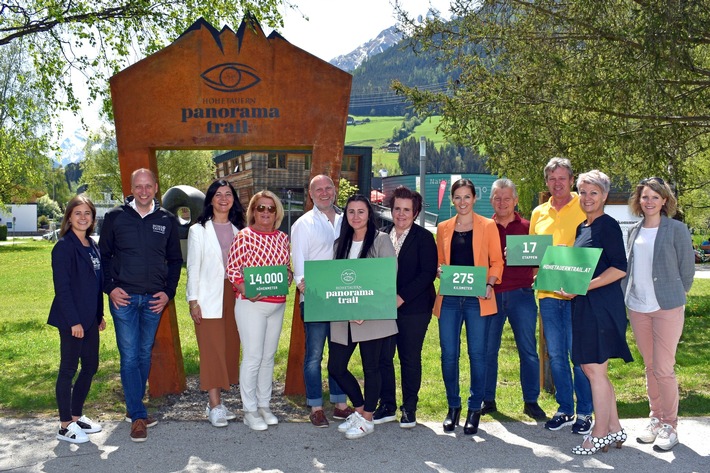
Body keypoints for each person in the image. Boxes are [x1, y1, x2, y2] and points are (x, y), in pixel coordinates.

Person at [99, 168, 182, 442]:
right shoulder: (115, 217)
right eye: (139, 186)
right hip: (123, 300)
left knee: (144, 353)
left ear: (156, 187)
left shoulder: (167, 220)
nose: (144, 191)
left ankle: (134, 404)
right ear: (131, 188)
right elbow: (104, 256)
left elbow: (174, 261)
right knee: (130, 355)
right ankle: (137, 416)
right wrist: (111, 289)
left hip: (153, 301)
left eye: (148, 186)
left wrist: (168, 293)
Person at [554, 170, 632, 455]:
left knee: (594, 370)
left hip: (602, 306)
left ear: (605, 196)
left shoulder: (607, 225)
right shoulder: (581, 227)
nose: (587, 198)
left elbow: (619, 268)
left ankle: (598, 433)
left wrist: (584, 287)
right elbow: (580, 268)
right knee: (592, 369)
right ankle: (614, 429)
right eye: (583, 192)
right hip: (584, 305)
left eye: (594, 193)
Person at [622, 177, 695, 451]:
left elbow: (687, 270)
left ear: (665, 200)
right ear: (638, 201)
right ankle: (654, 418)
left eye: (655, 196)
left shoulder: (676, 229)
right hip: (638, 307)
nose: (649, 201)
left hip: (666, 307)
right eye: (644, 197)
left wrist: (675, 295)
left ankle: (670, 425)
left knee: (664, 368)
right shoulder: (634, 230)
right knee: (650, 366)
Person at [434, 178, 504, 435]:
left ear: (475, 199)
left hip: (478, 299)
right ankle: (453, 406)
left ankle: (475, 408)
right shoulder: (442, 227)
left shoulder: (488, 226)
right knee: (449, 355)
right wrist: (440, 271)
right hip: (450, 299)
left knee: (478, 354)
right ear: (452, 201)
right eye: (458, 197)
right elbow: (440, 262)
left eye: (467, 197)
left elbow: (497, 261)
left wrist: (490, 284)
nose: (462, 202)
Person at [529, 157, 593, 434]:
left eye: (562, 178)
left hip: (577, 295)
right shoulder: (538, 213)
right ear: (547, 182)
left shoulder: (585, 204)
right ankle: (565, 408)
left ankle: (586, 412)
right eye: (552, 178)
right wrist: (530, 265)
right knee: (555, 355)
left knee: (577, 355)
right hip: (547, 294)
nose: (557, 183)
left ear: (571, 179)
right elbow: (533, 251)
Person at [327, 194, 398, 440]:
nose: (355, 216)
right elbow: (335, 280)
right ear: (345, 215)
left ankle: (368, 419)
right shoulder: (340, 244)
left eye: (361, 211)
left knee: (372, 368)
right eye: (351, 212)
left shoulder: (381, 240)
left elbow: (388, 278)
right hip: (344, 317)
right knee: (335, 367)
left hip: (372, 316)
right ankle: (359, 409)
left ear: (369, 214)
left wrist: (364, 309)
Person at [226, 190, 292, 431]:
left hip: (277, 305)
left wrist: (288, 276)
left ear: (277, 213)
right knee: (253, 357)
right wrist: (246, 289)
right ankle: (249, 410)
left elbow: (287, 269)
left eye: (271, 208)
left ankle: (264, 405)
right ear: (253, 210)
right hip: (251, 304)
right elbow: (233, 271)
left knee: (268, 358)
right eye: (261, 208)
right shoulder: (243, 236)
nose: (265, 212)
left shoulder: (283, 238)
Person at [483, 179, 547, 421]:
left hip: (522, 295)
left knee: (528, 351)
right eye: (497, 198)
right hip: (492, 295)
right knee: (489, 351)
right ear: (491, 201)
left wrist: (533, 272)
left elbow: (541, 259)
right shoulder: (484, 228)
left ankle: (531, 401)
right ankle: (487, 400)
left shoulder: (529, 228)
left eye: (507, 198)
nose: (502, 203)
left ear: (516, 200)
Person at [291, 174, 352, 428]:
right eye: (319, 189)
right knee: (314, 355)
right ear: (311, 194)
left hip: (341, 298)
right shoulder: (303, 224)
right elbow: (300, 263)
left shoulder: (346, 220)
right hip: (315, 298)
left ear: (335, 191)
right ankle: (315, 406)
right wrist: (302, 282)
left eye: (328, 188)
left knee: (338, 353)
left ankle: (339, 405)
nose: (325, 193)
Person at [375, 186, 437, 428]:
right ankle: (387, 405)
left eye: (407, 210)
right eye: (397, 209)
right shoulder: (380, 234)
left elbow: (427, 274)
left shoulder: (423, 238)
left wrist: (402, 297)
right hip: (383, 309)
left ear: (416, 212)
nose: (401, 214)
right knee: (383, 357)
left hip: (415, 308)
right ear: (391, 210)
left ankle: (409, 407)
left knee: (409, 358)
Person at [186, 179, 245, 427]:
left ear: (234, 199)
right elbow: (193, 267)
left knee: (230, 348)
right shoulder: (198, 230)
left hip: (236, 296)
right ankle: (214, 405)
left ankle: (220, 401)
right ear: (210, 199)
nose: (223, 198)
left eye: (228, 194)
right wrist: (193, 301)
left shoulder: (240, 230)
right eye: (218, 194)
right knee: (211, 350)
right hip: (208, 296)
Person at [48, 195, 106, 444]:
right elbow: (63, 288)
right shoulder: (64, 247)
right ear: (69, 217)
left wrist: (99, 314)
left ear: (93, 218)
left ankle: (75, 415)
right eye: (78, 213)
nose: (83, 218)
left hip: (90, 319)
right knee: (68, 369)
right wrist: (74, 322)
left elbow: (96, 284)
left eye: (87, 213)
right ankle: (64, 425)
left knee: (91, 366)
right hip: (71, 320)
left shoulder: (92, 244)